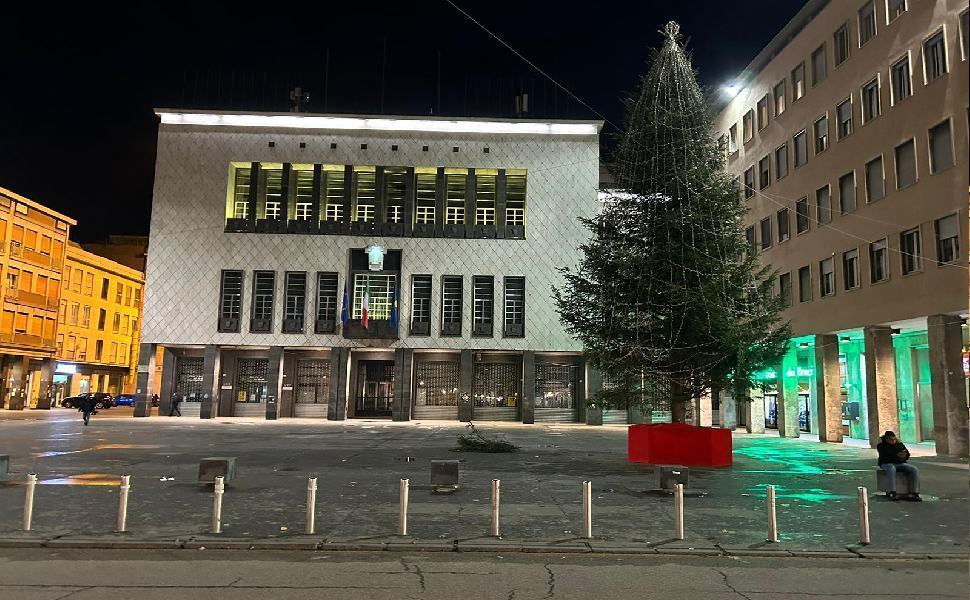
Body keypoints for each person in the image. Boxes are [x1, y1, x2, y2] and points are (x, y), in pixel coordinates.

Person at [876, 431, 921, 501]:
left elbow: (907, 454)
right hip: (886, 463)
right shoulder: (881, 446)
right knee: (891, 468)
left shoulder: (899, 444)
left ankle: (914, 492)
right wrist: (896, 456)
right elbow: (884, 457)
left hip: (900, 463)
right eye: (891, 440)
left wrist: (903, 456)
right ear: (886, 439)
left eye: (894, 439)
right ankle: (892, 492)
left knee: (914, 469)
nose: (893, 441)